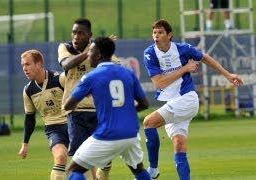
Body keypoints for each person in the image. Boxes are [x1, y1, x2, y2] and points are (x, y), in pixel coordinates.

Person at [142, 19, 243, 180]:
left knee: (148, 122)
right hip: (173, 102)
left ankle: (152, 170)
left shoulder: (182, 49)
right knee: (179, 145)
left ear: (169, 35)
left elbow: (205, 57)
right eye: (154, 32)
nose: (156, 35)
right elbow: (159, 82)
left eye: (160, 32)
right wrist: (185, 68)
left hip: (187, 99)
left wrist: (228, 75)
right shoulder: (150, 53)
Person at [63, 36, 151, 180]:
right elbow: (144, 104)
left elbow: (68, 105)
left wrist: (86, 94)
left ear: (98, 55)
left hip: (108, 134)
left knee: (73, 170)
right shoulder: (128, 73)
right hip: (131, 133)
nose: (88, 55)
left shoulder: (90, 77)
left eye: (90, 51)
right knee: (139, 169)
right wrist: (123, 112)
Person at [57, 18, 119, 180]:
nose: (76, 36)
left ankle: (104, 170)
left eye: (81, 33)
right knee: (80, 157)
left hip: (99, 110)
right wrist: (91, 51)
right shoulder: (65, 48)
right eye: (74, 32)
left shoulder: (100, 52)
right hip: (75, 112)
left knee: (104, 153)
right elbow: (66, 65)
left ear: (89, 35)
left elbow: (116, 68)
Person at [18, 49, 69, 180]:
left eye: (27, 64)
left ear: (39, 64)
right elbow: (29, 117)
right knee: (60, 157)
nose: (24, 68)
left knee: (85, 164)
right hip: (54, 129)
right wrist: (25, 144)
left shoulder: (60, 79)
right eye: (23, 65)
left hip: (73, 124)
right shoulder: (28, 90)